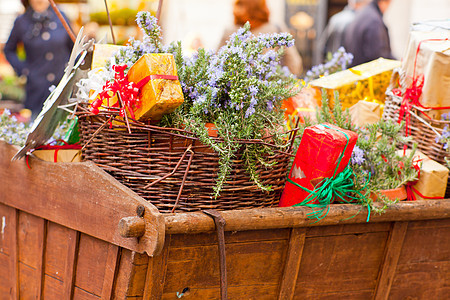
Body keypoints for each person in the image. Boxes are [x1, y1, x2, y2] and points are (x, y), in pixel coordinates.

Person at [3, 0, 73, 121]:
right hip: (36, 89)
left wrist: (70, 70)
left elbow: (73, 47)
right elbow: (9, 49)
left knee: (63, 128)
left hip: (61, 86)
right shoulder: (22, 21)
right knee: (36, 132)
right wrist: (24, 70)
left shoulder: (61, 16)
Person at [218, 0, 303, 76]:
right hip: (269, 88)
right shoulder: (277, 29)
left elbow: (217, 64)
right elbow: (295, 65)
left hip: (236, 89)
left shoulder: (230, 32)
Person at [343, 0, 394, 67]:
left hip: (355, 70)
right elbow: (377, 57)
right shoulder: (374, 21)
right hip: (365, 73)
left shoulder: (363, 14)